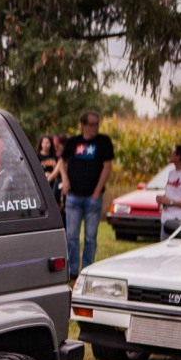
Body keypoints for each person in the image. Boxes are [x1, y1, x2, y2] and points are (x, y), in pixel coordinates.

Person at [52, 111, 114, 281]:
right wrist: (64, 179)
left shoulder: (103, 142)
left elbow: (107, 167)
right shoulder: (73, 142)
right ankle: (72, 269)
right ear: (84, 125)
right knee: (72, 236)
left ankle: (87, 269)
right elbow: (61, 162)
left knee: (90, 237)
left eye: (97, 124)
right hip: (73, 197)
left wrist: (96, 191)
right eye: (93, 124)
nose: (96, 127)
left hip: (92, 198)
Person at [36, 134, 61, 209]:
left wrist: (52, 174)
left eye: (47, 143)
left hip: (53, 184)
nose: (45, 145)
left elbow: (58, 170)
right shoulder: (36, 156)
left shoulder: (55, 157)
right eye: (44, 142)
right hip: (41, 184)